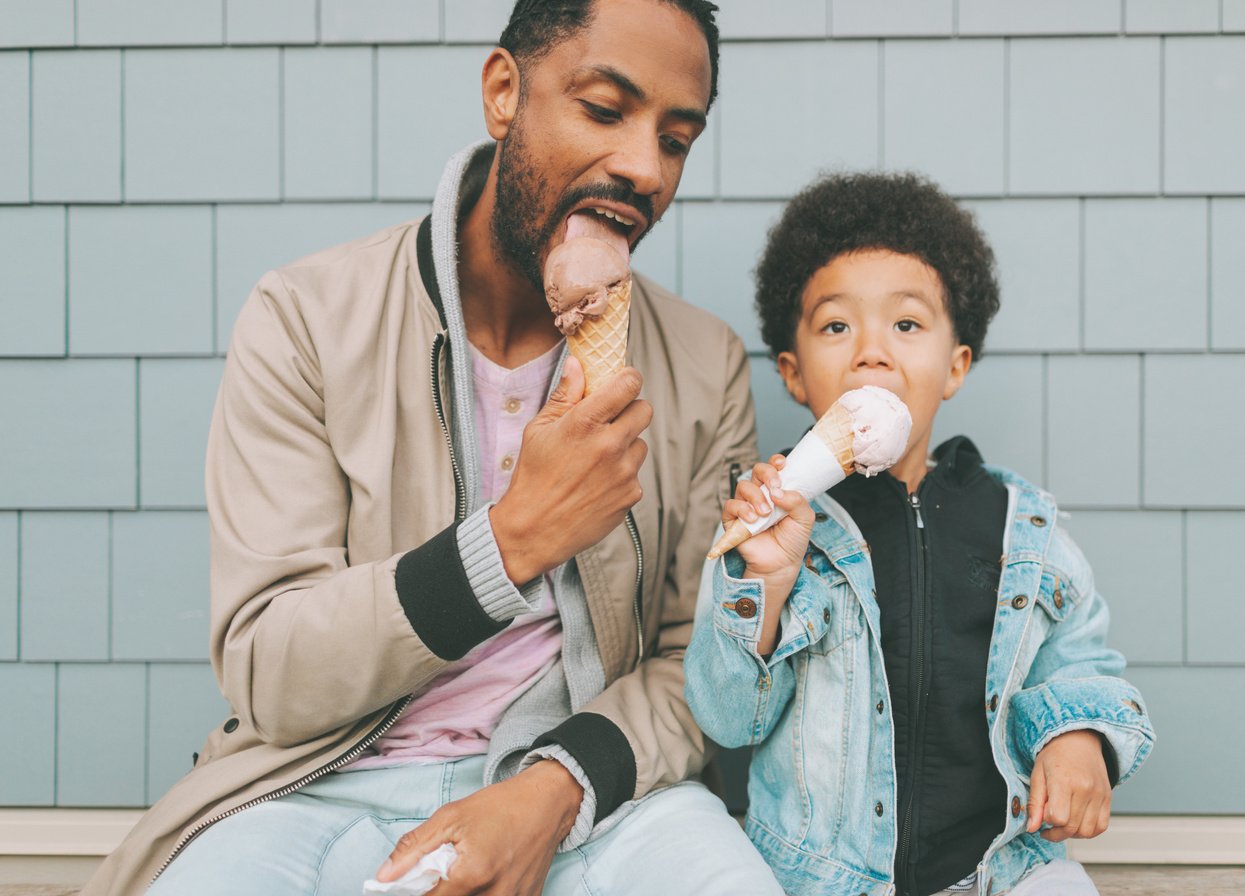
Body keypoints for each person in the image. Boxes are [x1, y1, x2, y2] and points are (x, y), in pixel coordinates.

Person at [83, 1, 784, 893]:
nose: (644, 168)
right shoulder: (306, 319)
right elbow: (268, 667)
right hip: (319, 788)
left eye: (676, 140)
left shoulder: (702, 360)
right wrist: (513, 539)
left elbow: (699, 665)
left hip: (596, 794)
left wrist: (557, 788)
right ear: (504, 92)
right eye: (606, 110)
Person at [684, 171, 1156, 896]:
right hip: (822, 878)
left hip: (998, 866)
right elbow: (729, 721)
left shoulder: (1018, 524)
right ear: (793, 374)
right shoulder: (773, 527)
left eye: (906, 325)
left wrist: (1079, 737)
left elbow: (1078, 656)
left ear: (955, 366)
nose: (872, 352)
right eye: (836, 326)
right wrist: (767, 584)